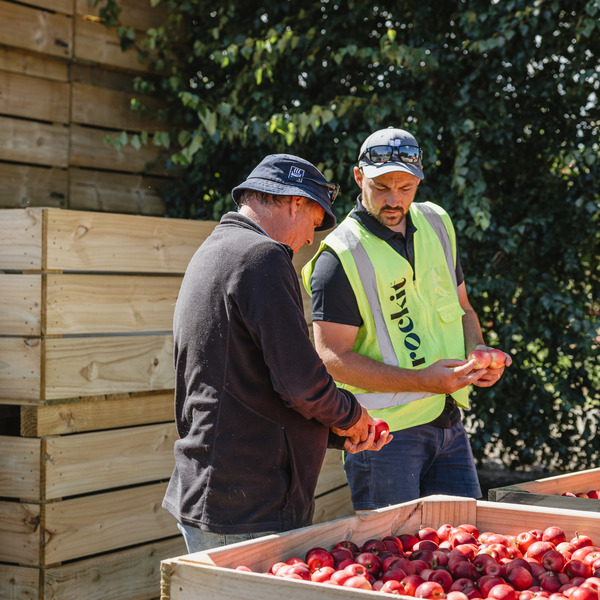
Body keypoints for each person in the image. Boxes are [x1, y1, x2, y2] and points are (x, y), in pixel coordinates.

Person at [162, 153, 389, 553]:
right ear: (293, 202)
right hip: (249, 506)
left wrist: (337, 430)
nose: (307, 241)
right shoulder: (261, 257)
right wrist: (352, 416)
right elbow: (300, 383)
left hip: (217, 493)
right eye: (313, 225)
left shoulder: (214, 251)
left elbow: (249, 385)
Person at [302, 127, 512, 511]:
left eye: (406, 187)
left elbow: (462, 306)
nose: (394, 199)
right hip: (382, 439)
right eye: (382, 186)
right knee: (394, 562)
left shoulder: (437, 223)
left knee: (464, 550)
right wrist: (422, 381)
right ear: (358, 177)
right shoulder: (339, 257)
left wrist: (477, 350)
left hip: (447, 422)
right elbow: (331, 358)